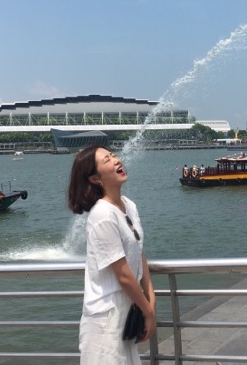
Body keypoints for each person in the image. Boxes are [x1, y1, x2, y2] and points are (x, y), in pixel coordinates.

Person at [67, 146, 156, 364]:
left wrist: (151, 300)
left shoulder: (129, 206)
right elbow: (123, 275)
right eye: (107, 160)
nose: (116, 160)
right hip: (105, 319)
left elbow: (139, 252)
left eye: (113, 155)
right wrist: (148, 312)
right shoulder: (102, 215)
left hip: (127, 310)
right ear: (95, 179)